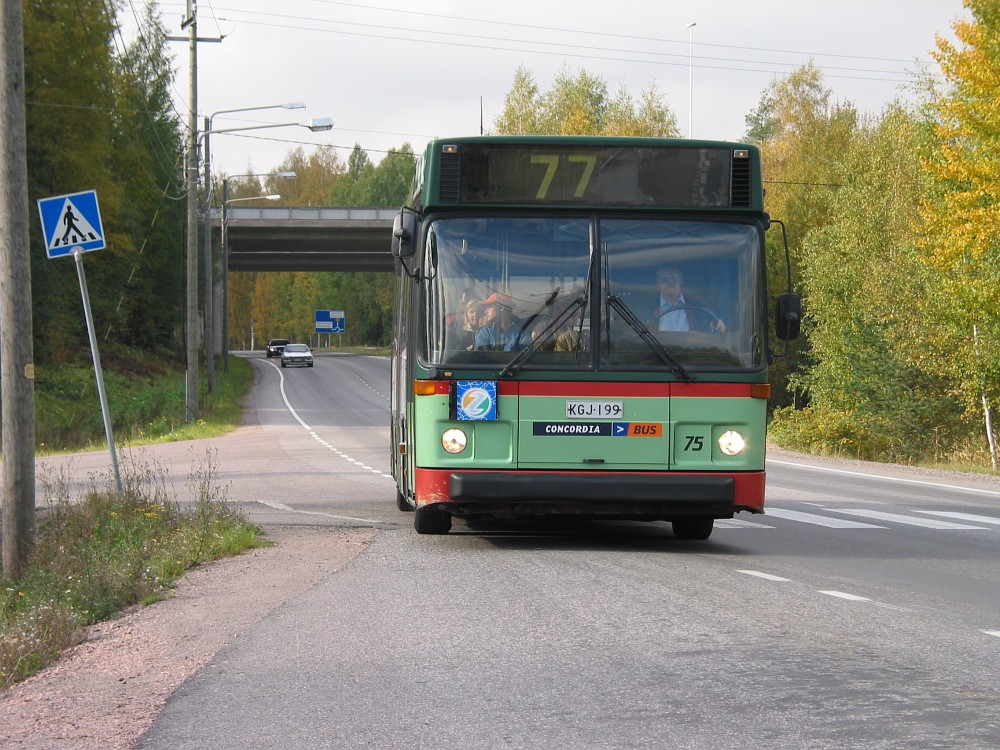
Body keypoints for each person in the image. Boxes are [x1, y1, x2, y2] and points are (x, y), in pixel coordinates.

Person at [652, 266, 725, 332]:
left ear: (680, 281)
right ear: (658, 283)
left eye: (674, 278)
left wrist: (716, 326)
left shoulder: (697, 305)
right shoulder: (648, 309)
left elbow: (711, 324)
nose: (670, 282)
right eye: (664, 279)